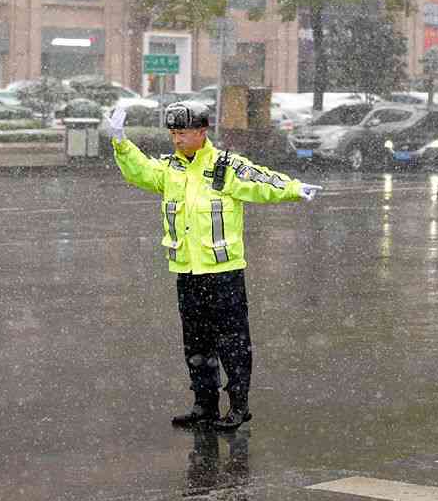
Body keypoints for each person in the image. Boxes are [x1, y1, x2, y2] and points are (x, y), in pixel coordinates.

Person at [105, 101, 321, 431]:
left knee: (232, 342)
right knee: (196, 343)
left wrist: (294, 189)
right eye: (173, 134)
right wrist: (120, 142)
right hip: (188, 272)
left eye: (183, 133)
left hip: (223, 273)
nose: (176, 140)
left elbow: (260, 181)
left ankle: (238, 406)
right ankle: (204, 404)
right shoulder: (170, 169)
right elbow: (140, 171)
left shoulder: (224, 166)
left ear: (202, 132)